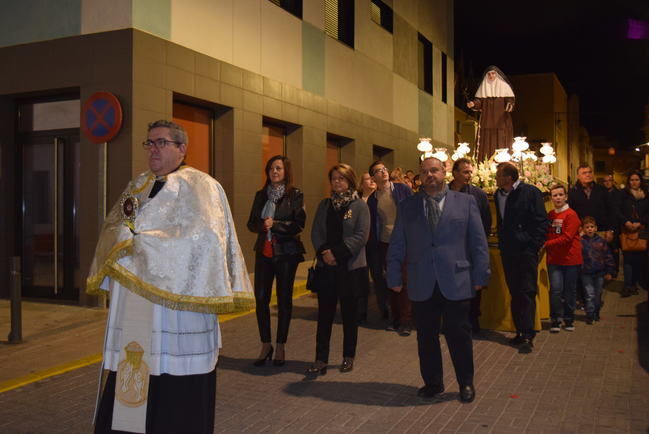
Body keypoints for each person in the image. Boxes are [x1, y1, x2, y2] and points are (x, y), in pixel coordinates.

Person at [87, 120, 254, 434]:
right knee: (137, 370)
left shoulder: (203, 186)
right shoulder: (137, 185)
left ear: (181, 149)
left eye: (161, 143)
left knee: (174, 385)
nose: (153, 149)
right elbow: (113, 228)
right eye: (149, 143)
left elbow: (207, 240)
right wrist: (124, 238)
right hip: (137, 306)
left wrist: (146, 245)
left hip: (178, 311)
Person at [386, 157, 490, 403]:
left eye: (434, 170)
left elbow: (478, 242)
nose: (429, 175)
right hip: (422, 280)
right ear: (419, 177)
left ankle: (466, 382)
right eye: (424, 172)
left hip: (456, 279)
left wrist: (480, 274)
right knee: (426, 336)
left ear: (444, 172)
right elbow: (398, 243)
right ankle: (433, 382)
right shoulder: (408, 206)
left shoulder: (466, 202)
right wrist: (392, 275)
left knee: (459, 335)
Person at [308, 164, 370, 375]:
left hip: (350, 268)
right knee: (324, 315)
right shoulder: (324, 205)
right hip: (327, 268)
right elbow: (316, 232)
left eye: (341, 178)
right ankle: (320, 359)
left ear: (350, 181)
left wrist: (338, 253)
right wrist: (325, 252)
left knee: (349, 315)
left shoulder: (359, 206)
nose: (337, 182)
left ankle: (348, 356)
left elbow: (361, 236)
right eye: (334, 178)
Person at [247, 155, 306, 366]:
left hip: (286, 254)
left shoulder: (295, 195)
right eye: (271, 168)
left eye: (279, 168)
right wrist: (263, 226)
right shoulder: (260, 195)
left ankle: (281, 344)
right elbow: (251, 223)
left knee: (283, 300)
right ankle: (266, 344)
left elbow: (298, 224)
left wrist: (276, 225)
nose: (274, 172)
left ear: (285, 171)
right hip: (264, 252)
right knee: (261, 299)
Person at [494, 162, 548, 353]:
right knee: (515, 291)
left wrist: (532, 244)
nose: (495, 178)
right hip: (508, 251)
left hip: (526, 251)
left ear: (509, 177)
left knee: (526, 291)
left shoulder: (530, 192)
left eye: (498, 175)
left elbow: (541, 220)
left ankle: (527, 334)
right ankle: (519, 331)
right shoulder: (498, 194)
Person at [367, 160, 414, 334]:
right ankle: (395, 318)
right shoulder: (372, 199)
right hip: (386, 243)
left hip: (405, 241)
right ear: (373, 177)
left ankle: (406, 321)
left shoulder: (402, 189)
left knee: (404, 280)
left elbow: (414, 212)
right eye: (378, 171)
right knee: (392, 281)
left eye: (385, 169)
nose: (384, 172)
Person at [449, 158, 492, 335]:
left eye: (470, 172)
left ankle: (473, 321)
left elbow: (486, 223)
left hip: (470, 248)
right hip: (450, 248)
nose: (469, 175)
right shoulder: (443, 192)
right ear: (455, 173)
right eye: (465, 172)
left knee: (473, 286)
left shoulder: (478, 195)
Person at [543, 184, 582, 333]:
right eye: (555, 195)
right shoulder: (550, 214)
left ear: (565, 196)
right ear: (551, 198)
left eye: (560, 195)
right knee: (556, 291)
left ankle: (569, 319)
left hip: (570, 259)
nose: (558, 197)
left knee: (570, 291)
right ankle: (555, 320)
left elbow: (567, 237)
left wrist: (546, 244)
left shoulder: (571, 215)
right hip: (554, 260)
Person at [467, 66, 515, 162]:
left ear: (497, 75)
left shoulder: (504, 87)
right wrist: (473, 104)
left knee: (501, 142)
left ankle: (502, 165)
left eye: (493, 73)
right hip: (486, 122)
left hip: (501, 123)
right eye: (489, 74)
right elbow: (479, 102)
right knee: (486, 143)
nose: (491, 76)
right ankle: (484, 165)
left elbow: (510, 100)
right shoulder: (483, 87)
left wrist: (509, 105)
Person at [617, 170, 649, 297]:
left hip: (642, 230)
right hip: (627, 230)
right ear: (628, 181)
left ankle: (635, 284)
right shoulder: (623, 195)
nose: (634, 182)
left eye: (636, 180)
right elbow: (617, 210)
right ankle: (627, 286)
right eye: (632, 180)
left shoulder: (646, 195)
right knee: (628, 259)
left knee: (639, 259)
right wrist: (626, 222)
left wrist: (640, 222)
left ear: (640, 181)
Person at [581, 216, 615, 323]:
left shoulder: (601, 241)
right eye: (587, 227)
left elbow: (608, 256)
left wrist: (610, 271)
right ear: (583, 229)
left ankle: (596, 313)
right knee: (589, 294)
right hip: (585, 272)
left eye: (592, 227)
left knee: (598, 293)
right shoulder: (580, 242)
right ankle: (590, 314)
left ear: (596, 228)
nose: (590, 229)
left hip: (599, 272)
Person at [357, 172, 376, 323]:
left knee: (379, 278)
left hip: (375, 244)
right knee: (362, 279)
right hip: (359, 246)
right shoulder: (356, 200)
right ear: (361, 183)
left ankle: (383, 309)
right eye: (368, 179)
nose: (372, 181)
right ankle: (361, 311)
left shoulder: (379, 198)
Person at [603, 174, 624, 279]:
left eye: (609, 180)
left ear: (613, 181)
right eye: (605, 181)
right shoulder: (602, 193)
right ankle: (608, 270)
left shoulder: (619, 194)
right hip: (605, 224)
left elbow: (619, 210)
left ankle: (615, 271)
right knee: (606, 249)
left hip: (616, 224)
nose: (607, 182)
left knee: (615, 249)